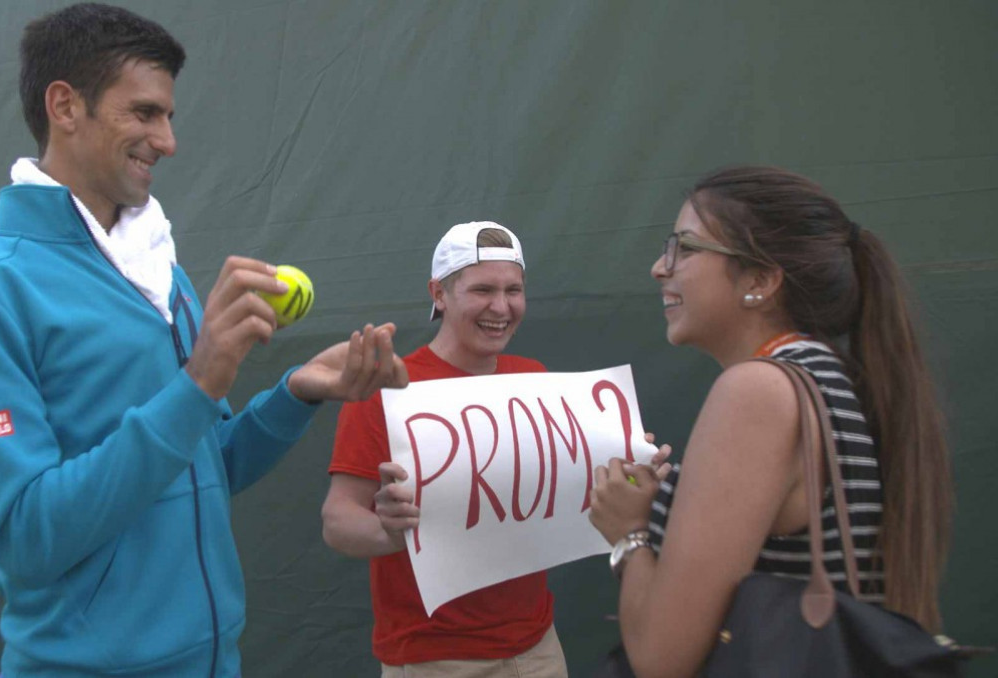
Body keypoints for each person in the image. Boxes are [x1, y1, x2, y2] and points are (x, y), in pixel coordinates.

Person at [0, 4, 408, 677]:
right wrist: (198, 383)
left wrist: (294, 394)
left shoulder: (160, 276)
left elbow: (205, 464)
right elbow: (27, 534)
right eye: (144, 113)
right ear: (65, 106)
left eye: (169, 116)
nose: (167, 140)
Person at [588, 166, 953, 678]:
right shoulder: (831, 378)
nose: (659, 268)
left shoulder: (757, 391)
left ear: (760, 280)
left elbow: (660, 659)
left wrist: (628, 534)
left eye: (685, 249)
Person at [321, 222, 570, 677]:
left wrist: (622, 461)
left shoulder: (533, 376)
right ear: (439, 293)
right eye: (483, 290)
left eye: (513, 289)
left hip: (538, 650)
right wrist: (391, 531)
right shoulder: (391, 387)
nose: (501, 306)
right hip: (434, 660)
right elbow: (338, 521)